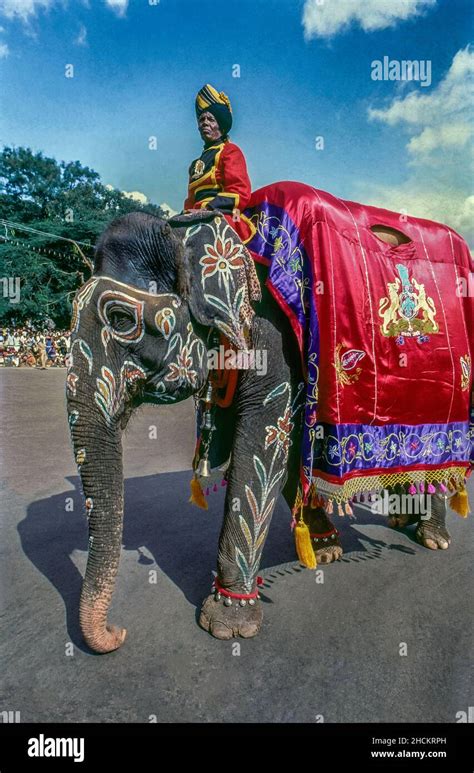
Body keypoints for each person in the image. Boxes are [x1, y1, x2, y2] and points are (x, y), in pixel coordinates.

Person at [183, 84, 255, 243]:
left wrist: (207, 209)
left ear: (220, 125)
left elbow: (239, 192)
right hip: (195, 216)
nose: (204, 123)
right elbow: (190, 200)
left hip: (220, 215)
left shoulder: (230, 151)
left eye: (210, 119)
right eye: (201, 119)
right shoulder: (194, 165)